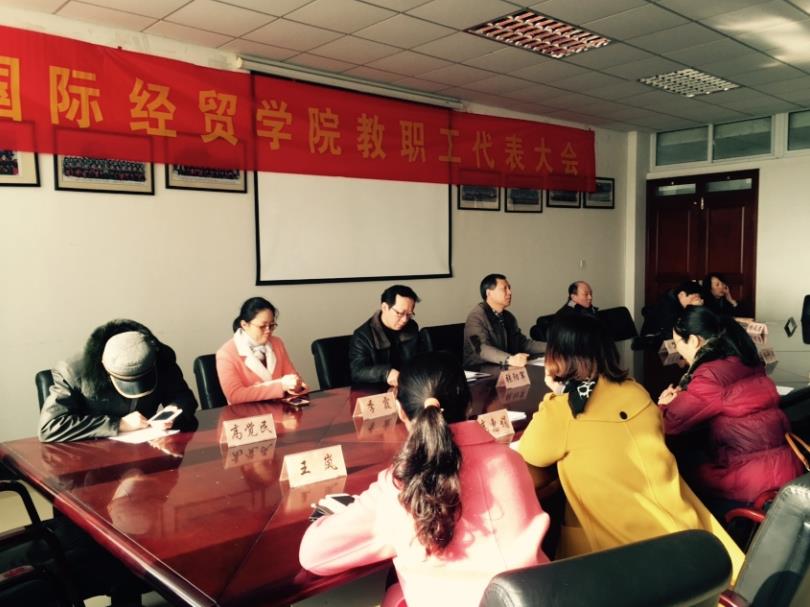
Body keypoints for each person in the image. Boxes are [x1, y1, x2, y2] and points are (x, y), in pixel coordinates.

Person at [299, 352, 549, 607]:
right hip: (541, 599)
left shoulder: (402, 486)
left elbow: (314, 555)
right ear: (469, 403)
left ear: (401, 411)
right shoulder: (510, 460)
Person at [518, 314, 743, 576]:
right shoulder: (637, 392)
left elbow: (527, 461)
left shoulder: (563, 411)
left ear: (556, 356)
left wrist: (558, 395)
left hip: (621, 559)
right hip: (688, 538)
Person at [658, 306, 802, 511]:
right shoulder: (745, 360)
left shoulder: (710, 376)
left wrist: (664, 403)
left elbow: (669, 424)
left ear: (694, 340)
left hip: (751, 482)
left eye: (677, 343)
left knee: (675, 469)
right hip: (786, 469)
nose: (678, 350)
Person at [39, 318, 197, 442]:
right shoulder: (72, 371)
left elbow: (184, 398)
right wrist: (118, 424)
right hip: (94, 460)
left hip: (150, 449)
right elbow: (49, 427)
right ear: (104, 366)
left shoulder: (159, 356)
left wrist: (171, 415)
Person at [216, 297, 306, 404]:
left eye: (271, 325)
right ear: (244, 325)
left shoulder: (277, 343)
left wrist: (295, 385)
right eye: (262, 326)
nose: (268, 331)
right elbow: (235, 395)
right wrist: (280, 386)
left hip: (280, 408)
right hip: (248, 412)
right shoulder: (226, 353)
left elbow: (294, 377)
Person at [463, 273, 543, 368]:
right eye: (504, 289)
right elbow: (481, 348)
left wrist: (552, 347)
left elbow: (522, 344)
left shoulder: (509, 317)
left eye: (509, 288)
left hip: (502, 366)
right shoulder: (476, 316)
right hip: (480, 369)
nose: (509, 292)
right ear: (489, 293)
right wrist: (510, 359)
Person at [349, 285, 420, 386]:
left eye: (409, 314)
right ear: (384, 307)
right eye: (400, 313)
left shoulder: (411, 327)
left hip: (408, 386)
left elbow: (420, 358)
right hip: (377, 389)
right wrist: (386, 373)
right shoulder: (362, 336)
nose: (405, 320)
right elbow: (357, 372)